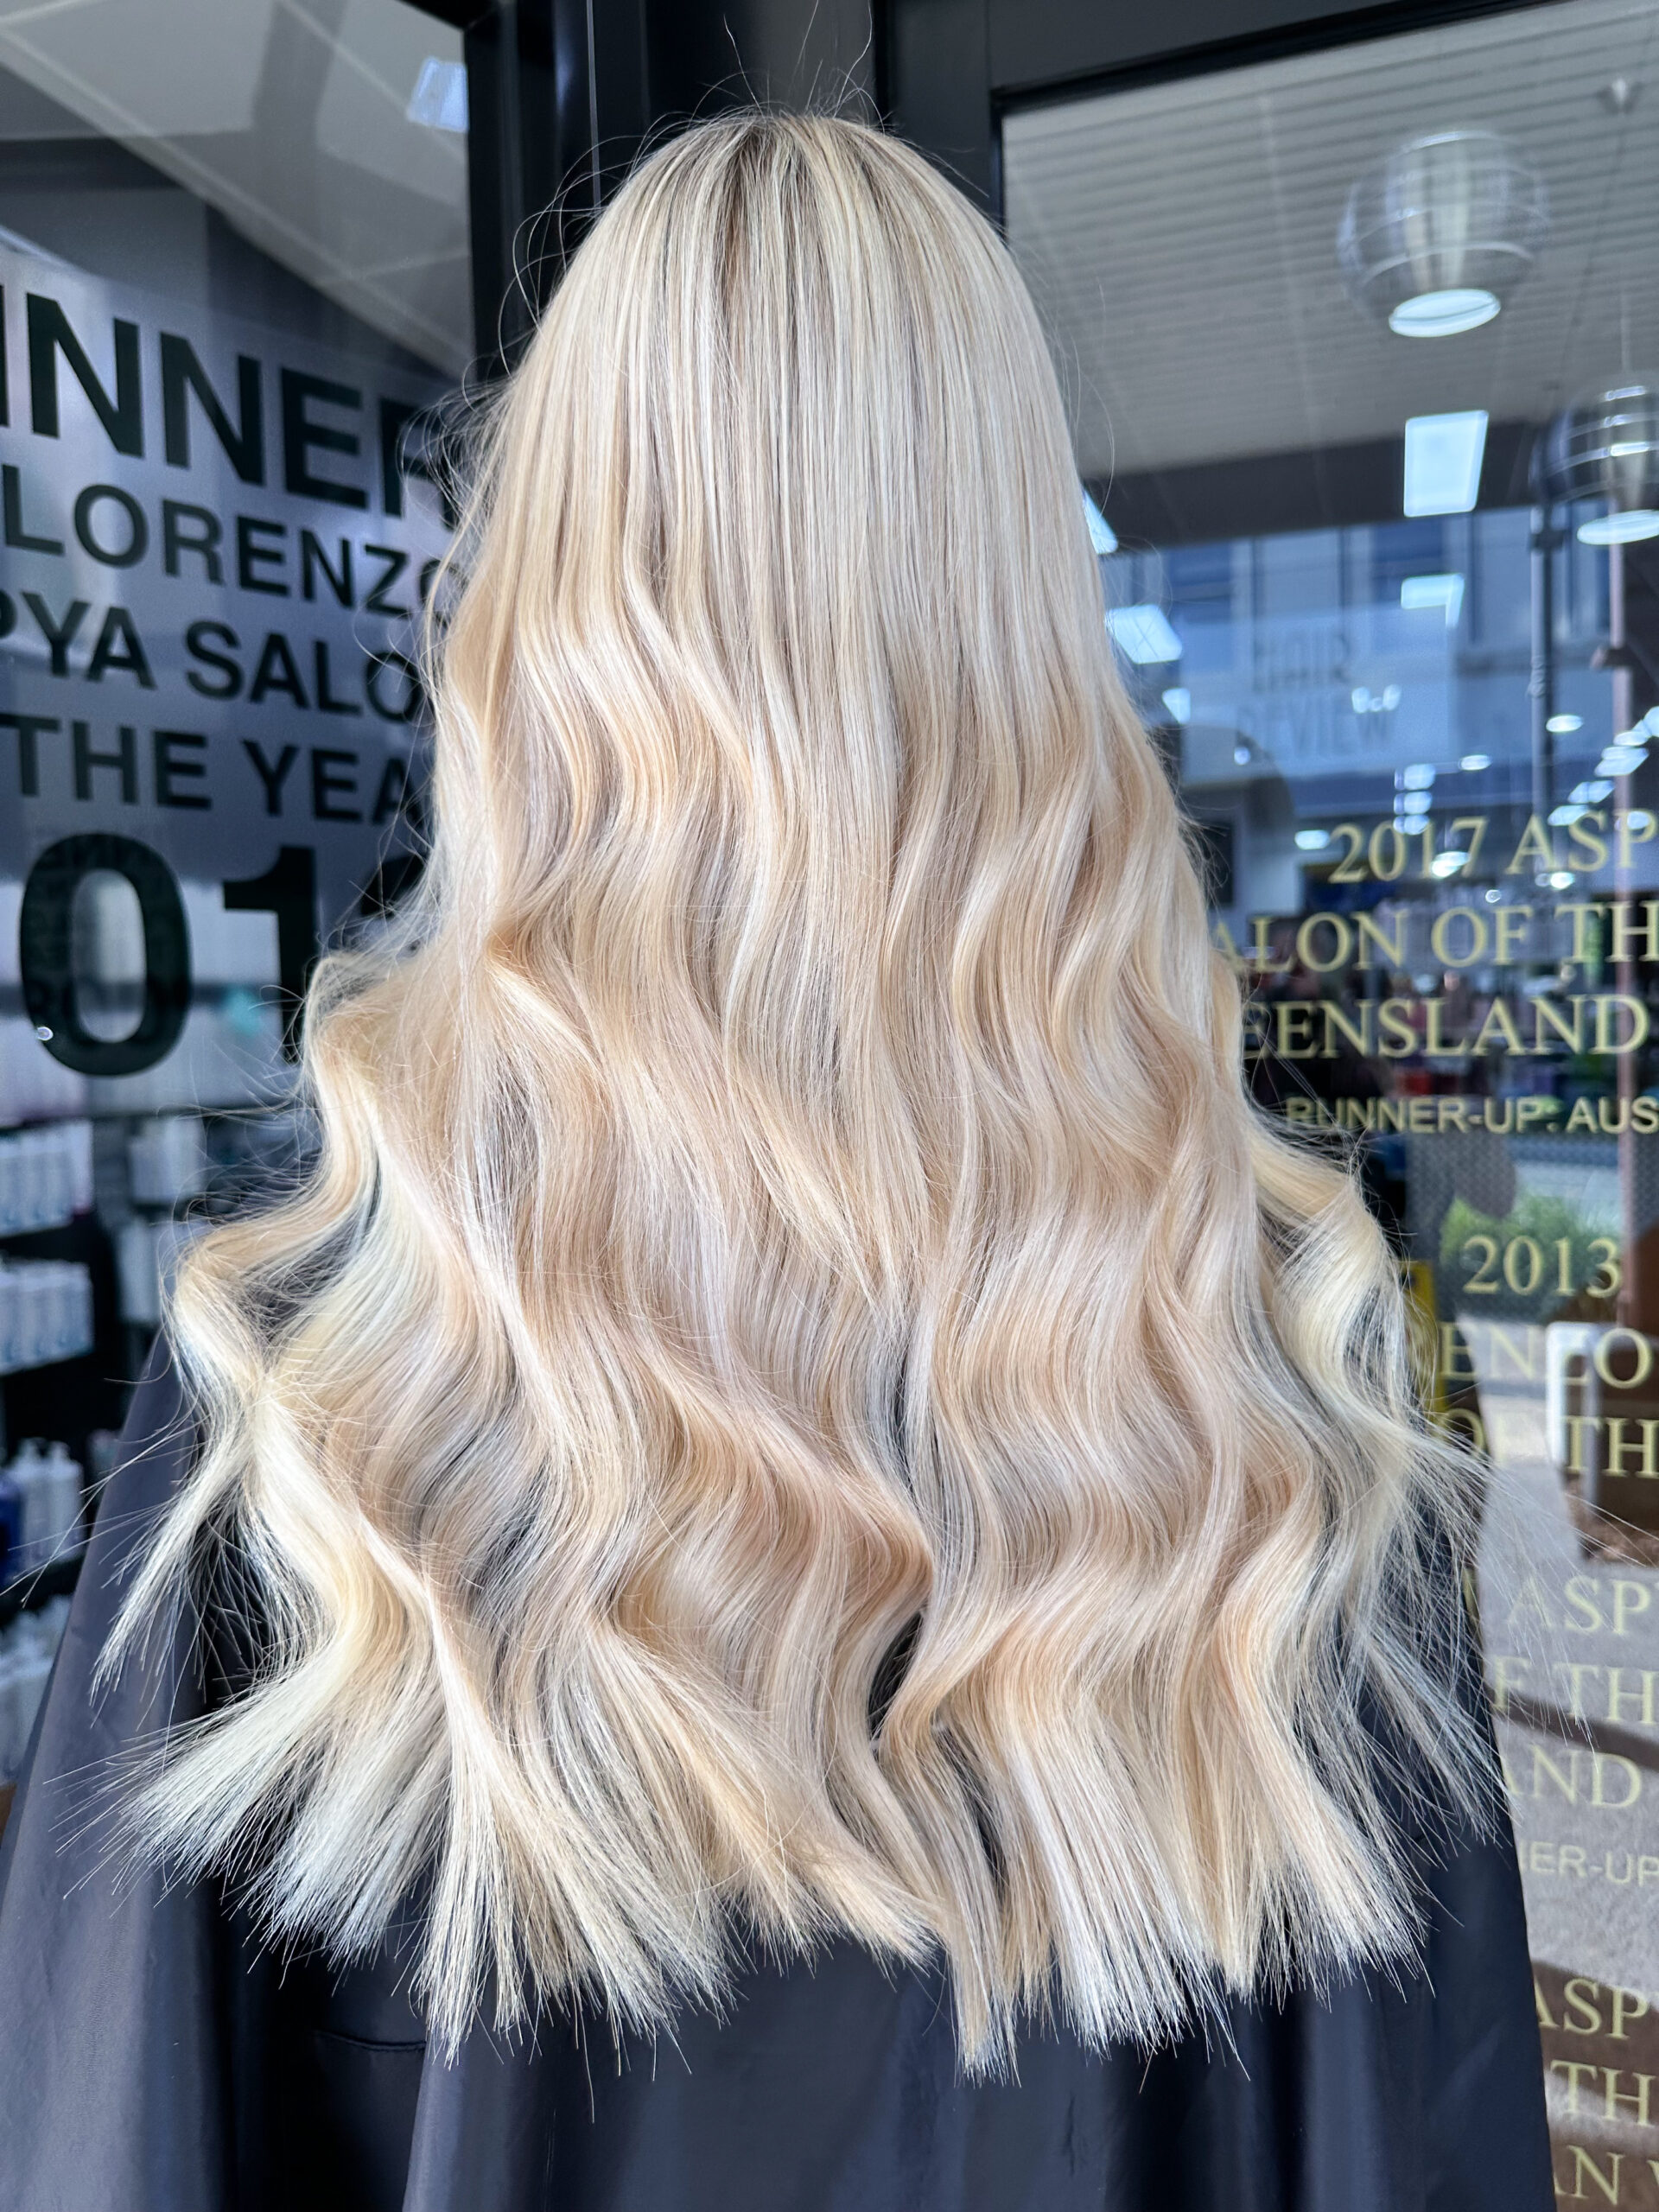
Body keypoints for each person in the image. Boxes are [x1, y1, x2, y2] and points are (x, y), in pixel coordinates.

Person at [0, 112, 1550, 2212]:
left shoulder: (310, 1421)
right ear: (1027, 624)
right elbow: (1412, 2142)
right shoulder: (1264, 1426)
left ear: (533, 618)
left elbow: (109, 2143)